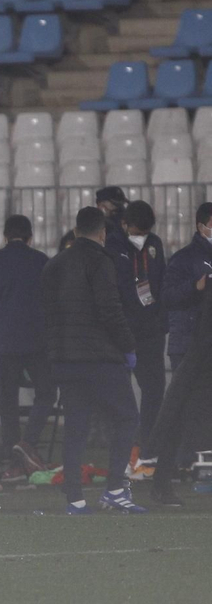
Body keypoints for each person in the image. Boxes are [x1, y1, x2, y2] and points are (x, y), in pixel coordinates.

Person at [41, 207, 147, 514]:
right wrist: (128, 346)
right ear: (102, 234)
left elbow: (46, 314)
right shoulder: (102, 262)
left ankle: (74, 498)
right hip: (100, 357)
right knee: (127, 417)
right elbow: (110, 309)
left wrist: (54, 353)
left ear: (75, 232)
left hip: (64, 358)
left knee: (76, 425)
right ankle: (115, 488)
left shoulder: (54, 264)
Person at [0, 214, 55, 474]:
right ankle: (28, 443)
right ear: (30, 237)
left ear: (4, 236)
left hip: (4, 342)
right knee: (46, 393)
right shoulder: (42, 261)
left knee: (7, 400)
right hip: (37, 341)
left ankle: (14, 457)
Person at [149, 279, 212, 507]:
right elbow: (171, 299)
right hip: (199, 359)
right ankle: (161, 483)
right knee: (176, 419)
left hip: (198, 357)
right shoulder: (200, 276)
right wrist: (194, 288)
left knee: (176, 418)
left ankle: (161, 484)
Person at [115, 200, 166, 481]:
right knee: (120, 395)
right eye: (137, 230)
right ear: (125, 225)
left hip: (150, 332)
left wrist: (160, 322)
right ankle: (122, 453)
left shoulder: (155, 244)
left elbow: (160, 283)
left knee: (154, 390)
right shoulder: (114, 248)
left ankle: (147, 449)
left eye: (145, 231)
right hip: (122, 332)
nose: (141, 235)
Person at [163, 202, 212, 372]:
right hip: (189, 345)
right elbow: (168, 296)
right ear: (201, 226)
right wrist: (195, 287)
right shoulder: (183, 258)